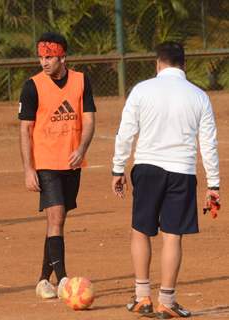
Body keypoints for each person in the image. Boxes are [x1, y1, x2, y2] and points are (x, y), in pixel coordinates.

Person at [111, 41, 220, 319]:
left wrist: (117, 168)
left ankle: (142, 297)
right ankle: (166, 301)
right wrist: (213, 185)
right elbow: (208, 144)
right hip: (181, 171)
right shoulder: (199, 96)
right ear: (183, 64)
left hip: (147, 168)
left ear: (158, 63)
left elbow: (125, 132)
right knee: (173, 235)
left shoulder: (142, 90)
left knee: (141, 229)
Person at [19, 32, 96, 299]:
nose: (44, 62)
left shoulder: (82, 81)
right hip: (46, 163)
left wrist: (82, 149)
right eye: (41, 57)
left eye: (49, 57)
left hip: (72, 163)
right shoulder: (32, 86)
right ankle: (63, 280)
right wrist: (29, 169)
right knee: (56, 216)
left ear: (63, 57)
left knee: (57, 222)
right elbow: (25, 130)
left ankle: (43, 279)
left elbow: (88, 121)